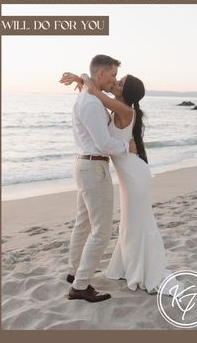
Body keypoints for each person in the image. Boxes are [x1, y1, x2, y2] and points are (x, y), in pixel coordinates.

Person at [61, 69, 183, 296]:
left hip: (135, 175)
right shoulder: (116, 107)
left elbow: (97, 94)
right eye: (116, 79)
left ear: (126, 93)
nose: (116, 82)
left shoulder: (125, 109)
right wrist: (83, 81)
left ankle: (143, 268)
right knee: (130, 221)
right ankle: (129, 265)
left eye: (120, 83)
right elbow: (96, 95)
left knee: (140, 221)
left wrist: (84, 79)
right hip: (129, 175)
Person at [60, 55, 137, 303]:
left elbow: (87, 80)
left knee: (83, 223)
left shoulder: (88, 96)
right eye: (113, 75)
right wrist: (128, 148)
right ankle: (81, 286)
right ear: (101, 74)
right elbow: (104, 143)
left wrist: (82, 77)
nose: (115, 80)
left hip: (84, 166)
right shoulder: (92, 103)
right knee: (101, 232)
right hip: (93, 168)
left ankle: (74, 272)